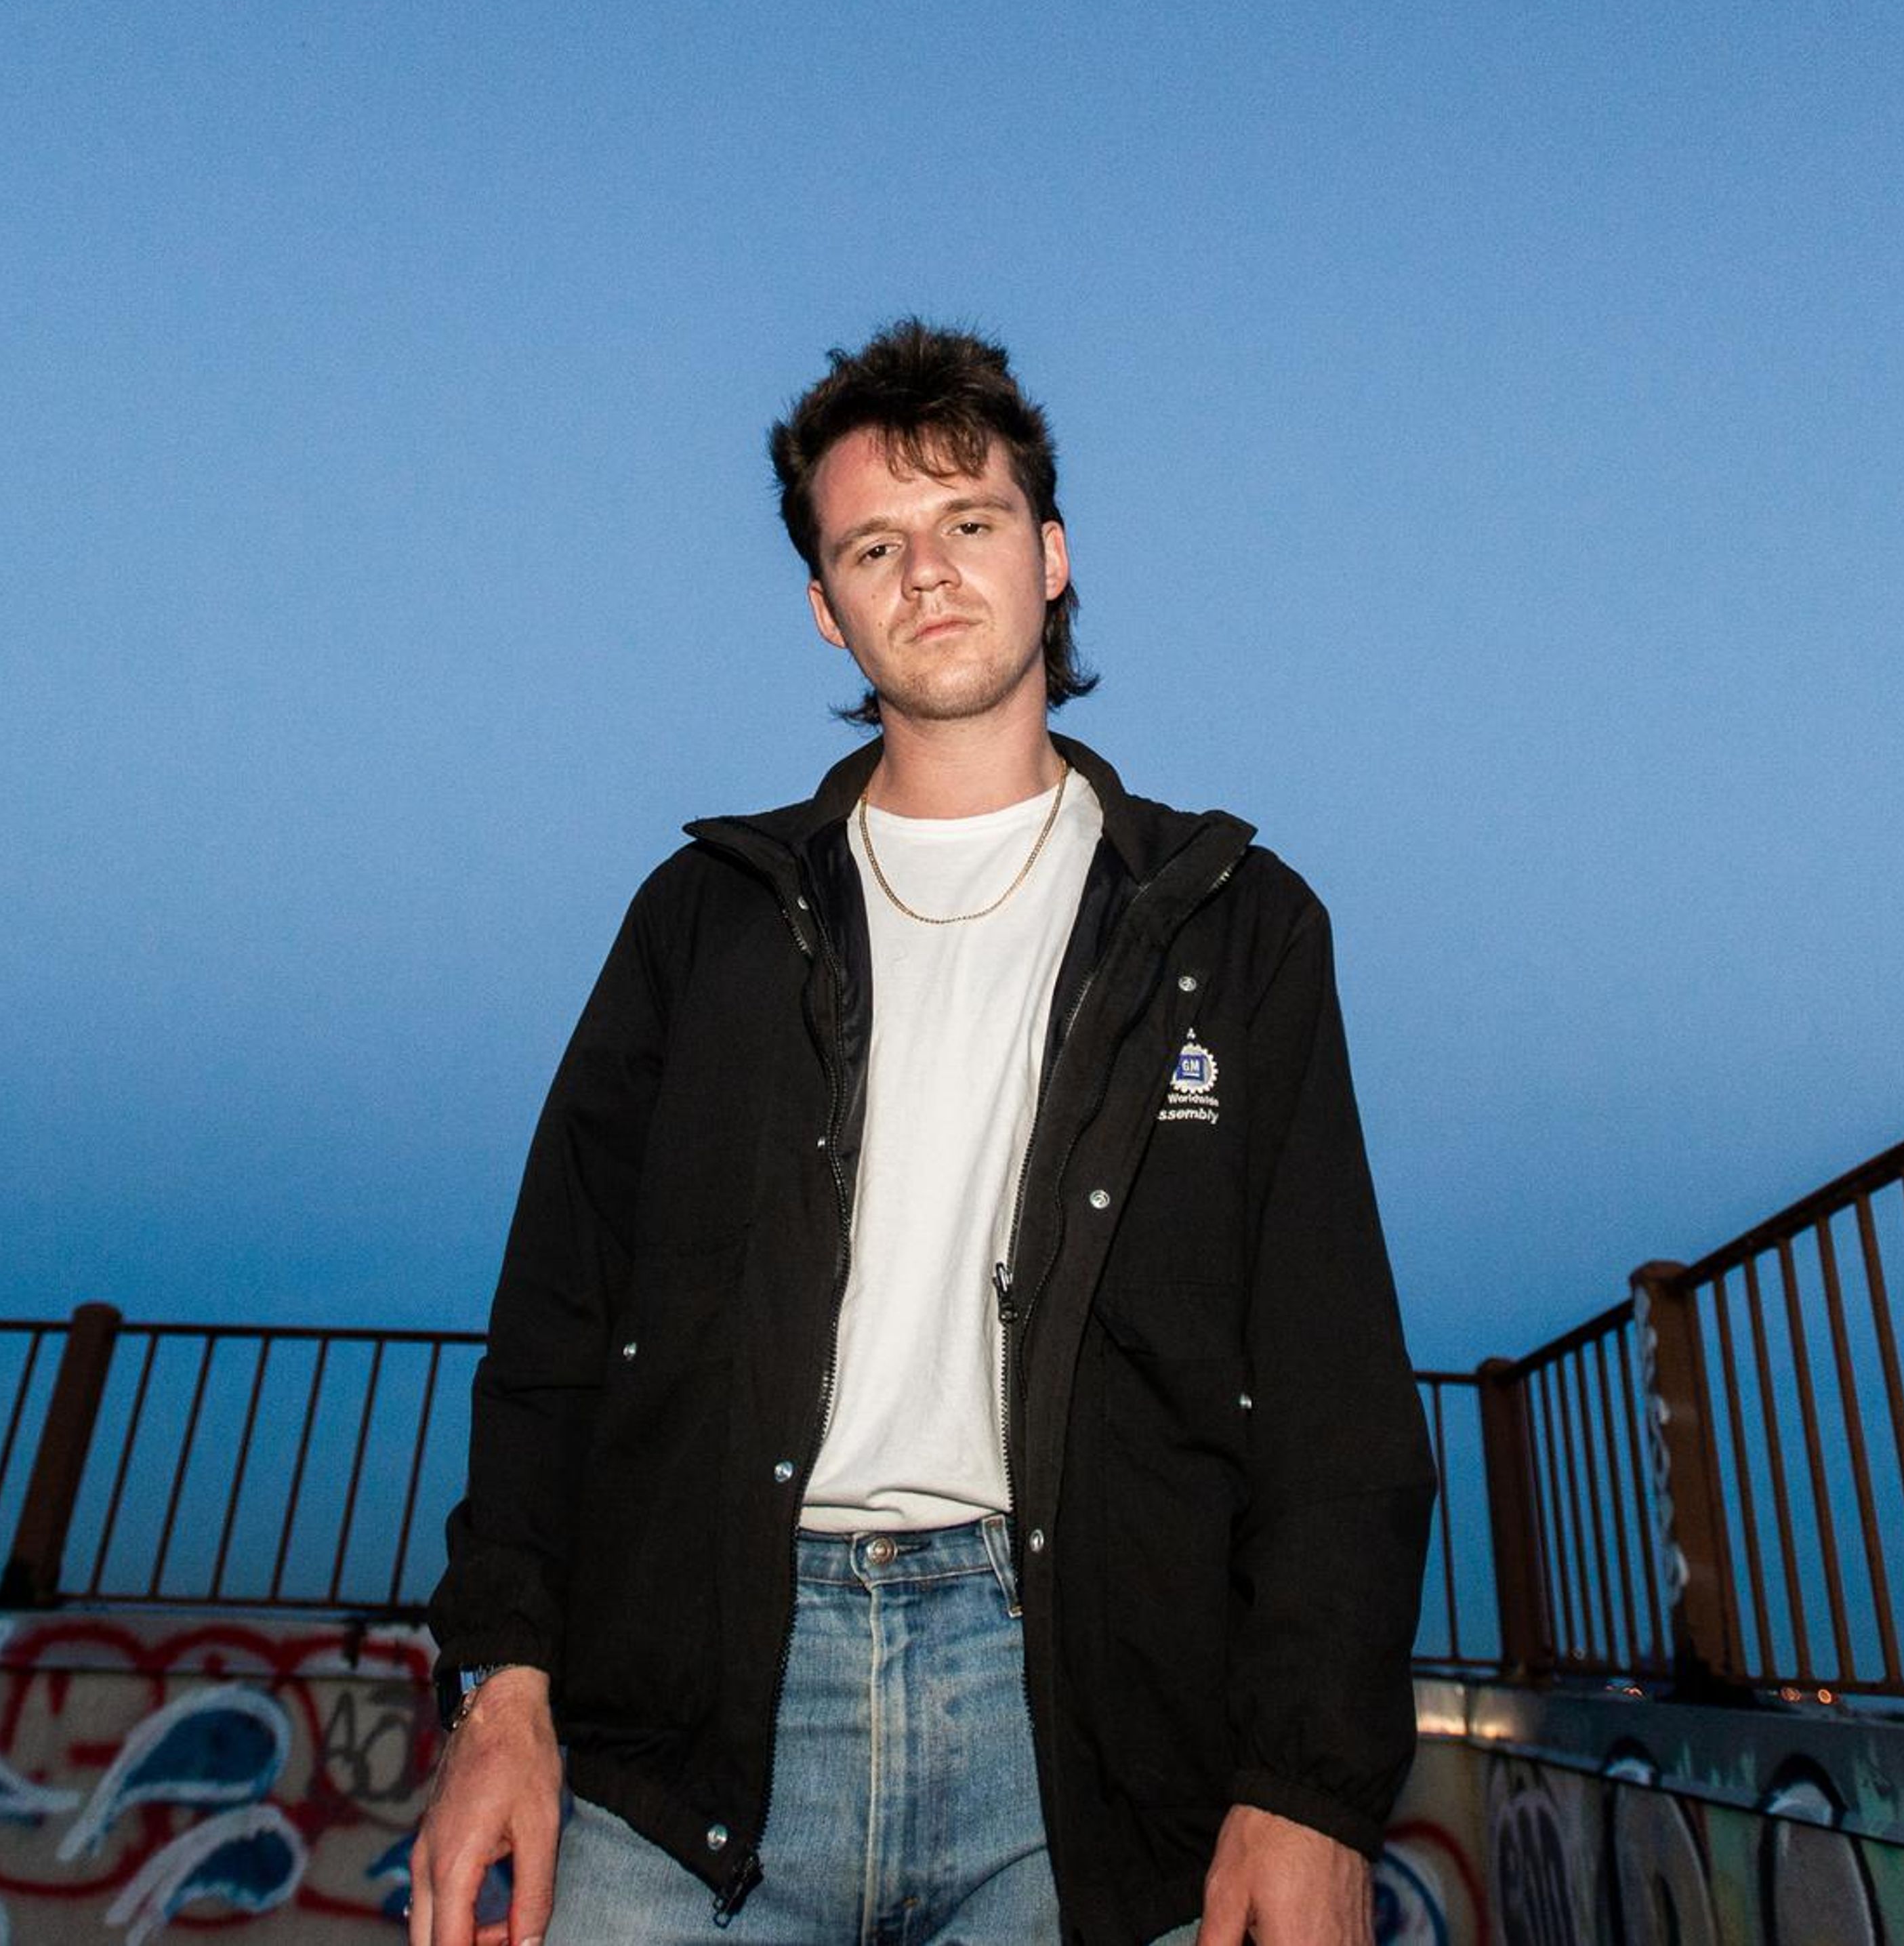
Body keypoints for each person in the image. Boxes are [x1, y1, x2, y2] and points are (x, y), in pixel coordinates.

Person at [413, 321, 1434, 1946]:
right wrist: (500, 1686)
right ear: (829, 607)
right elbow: (554, 1331)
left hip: (1094, 1745)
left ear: (1052, 556)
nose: (930, 571)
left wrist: (1311, 1785)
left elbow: (1331, 1390)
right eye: (874, 545)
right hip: (690, 1732)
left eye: (970, 521)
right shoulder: (706, 920)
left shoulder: (1231, 926)